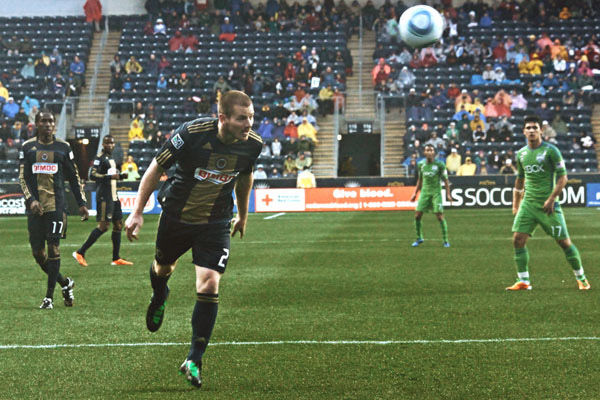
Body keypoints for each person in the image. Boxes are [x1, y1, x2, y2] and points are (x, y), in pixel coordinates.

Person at [124, 91, 261, 388]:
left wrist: (242, 215)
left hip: (215, 221)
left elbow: (245, 176)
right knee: (163, 268)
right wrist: (137, 212)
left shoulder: (253, 145)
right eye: (242, 118)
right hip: (177, 216)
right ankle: (159, 295)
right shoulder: (191, 133)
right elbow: (156, 167)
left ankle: (194, 359)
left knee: (210, 282)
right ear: (223, 118)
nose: (249, 124)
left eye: (251, 117)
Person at [507, 115, 590, 291]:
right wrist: (516, 205)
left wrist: (552, 198)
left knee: (564, 243)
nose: (531, 131)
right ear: (523, 131)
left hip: (548, 206)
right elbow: (520, 180)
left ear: (541, 131)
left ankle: (581, 278)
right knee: (518, 240)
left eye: (534, 128)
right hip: (528, 204)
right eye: (528, 128)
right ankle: (524, 281)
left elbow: (563, 177)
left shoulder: (551, 151)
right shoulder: (521, 154)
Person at [19, 110, 89, 309]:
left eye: (51, 121)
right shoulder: (27, 147)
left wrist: (82, 203)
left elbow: (74, 177)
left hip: (57, 207)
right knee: (38, 254)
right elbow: (23, 177)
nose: (48, 125)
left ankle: (48, 298)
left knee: (54, 248)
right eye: (44, 121)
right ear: (37, 124)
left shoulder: (63, 147)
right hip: (35, 209)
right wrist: (31, 200)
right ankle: (65, 283)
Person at [73, 135, 133, 267]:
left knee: (118, 224)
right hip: (105, 196)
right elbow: (92, 175)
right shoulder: (99, 158)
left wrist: (120, 176)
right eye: (107, 143)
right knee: (104, 226)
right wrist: (109, 176)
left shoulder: (112, 158)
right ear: (103, 144)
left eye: (112, 143)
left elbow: (112, 176)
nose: (110, 145)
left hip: (114, 195)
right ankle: (80, 252)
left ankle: (116, 258)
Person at [410, 144, 452, 248]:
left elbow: (446, 180)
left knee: (439, 216)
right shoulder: (421, 164)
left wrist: (448, 194)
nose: (429, 152)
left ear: (434, 153)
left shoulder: (440, 164)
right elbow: (420, 179)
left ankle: (445, 240)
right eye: (427, 150)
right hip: (424, 192)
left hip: (436, 193)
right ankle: (419, 238)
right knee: (417, 215)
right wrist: (415, 193)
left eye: (431, 150)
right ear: (424, 152)